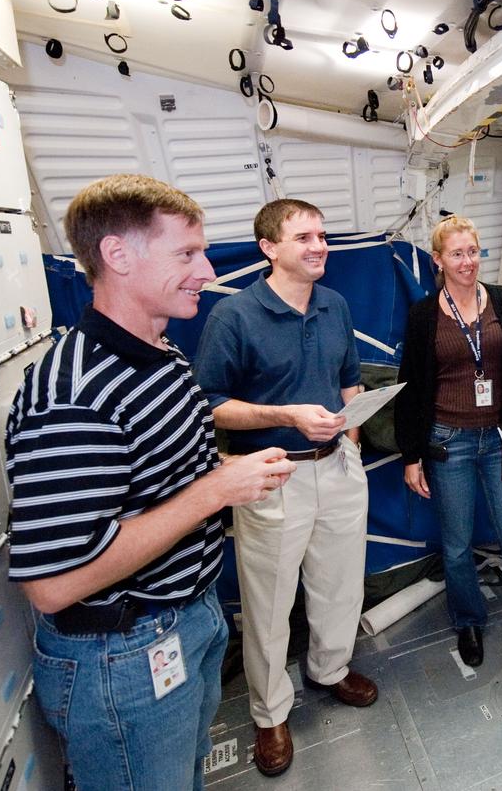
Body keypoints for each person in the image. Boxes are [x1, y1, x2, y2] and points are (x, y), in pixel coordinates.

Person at [5, 174, 295, 791]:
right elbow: (53, 586)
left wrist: (227, 476)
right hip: (122, 658)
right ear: (118, 255)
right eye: (186, 253)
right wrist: (216, 491)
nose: (207, 269)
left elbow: (159, 482)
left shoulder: (162, 352)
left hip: (188, 619)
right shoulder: (73, 395)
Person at [194, 199, 375, 777]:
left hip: (339, 467)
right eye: (304, 237)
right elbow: (212, 405)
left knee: (340, 585)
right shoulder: (236, 317)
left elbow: (348, 381)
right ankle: (270, 713)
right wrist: (290, 414)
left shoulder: (336, 305)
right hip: (273, 477)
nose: (319, 246)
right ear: (269, 247)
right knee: (269, 606)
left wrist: (355, 429)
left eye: (322, 235)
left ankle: (330, 669)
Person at [394, 215, 502, 668]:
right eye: (457, 253)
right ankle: (469, 620)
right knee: (458, 543)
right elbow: (410, 387)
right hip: (449, 441)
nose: (468, 262)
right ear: (438, 260)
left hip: (501, 437)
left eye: (473, 251)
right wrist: (412, 455)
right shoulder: (424, 315)